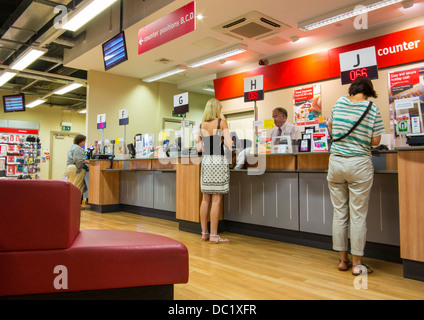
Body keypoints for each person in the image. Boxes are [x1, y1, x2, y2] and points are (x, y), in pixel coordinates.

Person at [326, 77, 385, 276]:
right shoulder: (372, 108)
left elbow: (332, 129)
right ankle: (357, 263)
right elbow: (376, 141)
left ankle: (343, 260)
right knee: (358, 215)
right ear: (368, 91)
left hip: (336, 164)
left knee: (339, 213)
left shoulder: (339, 103)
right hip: (359, 164)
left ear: (352, 89)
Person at [196, 98, 233, 244]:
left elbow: (199, 148)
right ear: (217, 109)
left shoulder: (200, 126)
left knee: (205, 198)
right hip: (218, 161)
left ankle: (204, 233)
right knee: (216, 198)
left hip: (206, 162)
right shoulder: (221, 122)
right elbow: (229, 144)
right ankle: (214, 236)